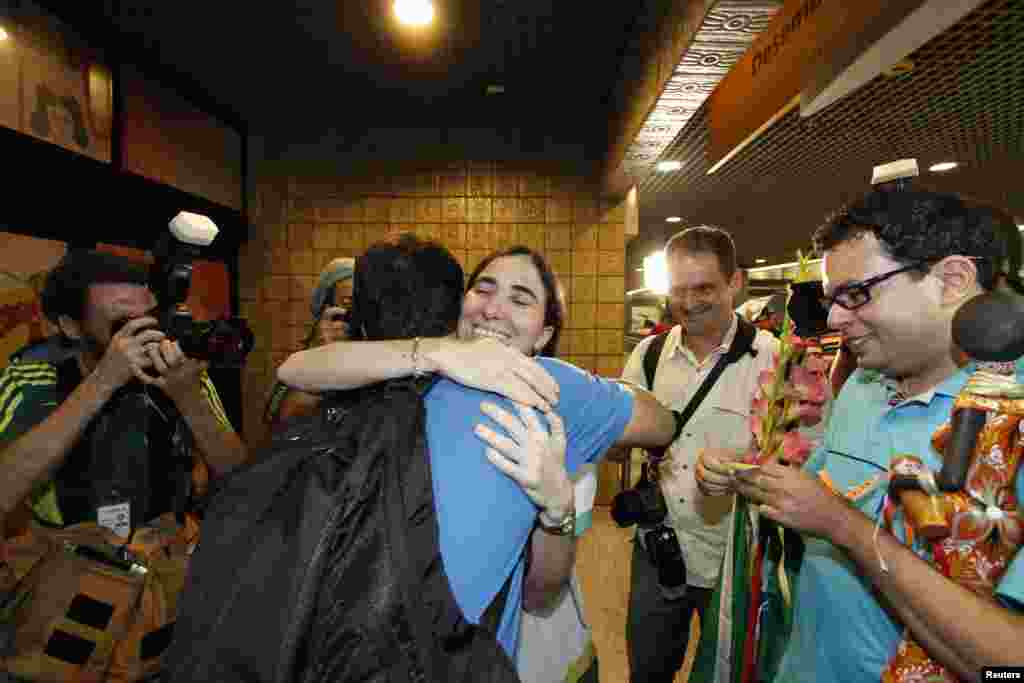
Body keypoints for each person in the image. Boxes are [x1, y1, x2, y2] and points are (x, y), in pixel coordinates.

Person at [277, 241, 680, 662]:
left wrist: (606, 403)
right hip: (355, 640)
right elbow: (295, 369)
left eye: (520, 299)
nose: (493, 309)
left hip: (459, 655)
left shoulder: (549, 384)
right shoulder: (416, 364)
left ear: (543, 334)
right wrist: (441, 353)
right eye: (483, 290)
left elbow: (662, 423)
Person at [698, 189, 1024, 682]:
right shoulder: (864, 386)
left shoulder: (1011, 426)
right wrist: (747, 475)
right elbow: (818, 491)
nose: (834, 319)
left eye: (856, 294)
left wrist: (845, 528)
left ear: (953, 279)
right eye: (832, 300)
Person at [0, 249, 246, 679]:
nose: (144, 336)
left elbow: (244, 482)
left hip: (160, 581)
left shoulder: (181, 374)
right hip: (63, 582)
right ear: (69, 326)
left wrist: (188, 397)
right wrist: (102, 382)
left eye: (149, 320)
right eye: (121, 325)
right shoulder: (31, 380)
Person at [619, 226, 779, 683]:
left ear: (735, 282)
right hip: (659, 548)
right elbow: (617, 445)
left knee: (729, 673)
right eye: (678, 291)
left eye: (704, 288)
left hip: (735, 558)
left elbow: (801, 464)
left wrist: (743, 476)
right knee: (647, 672)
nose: (688, 303)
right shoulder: (648, 356)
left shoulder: (775, 359)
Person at [263, 257, 354, 429]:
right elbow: (280, 424)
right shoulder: (299, 367)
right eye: (348, 303)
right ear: (326, 310)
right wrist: (325, 356)